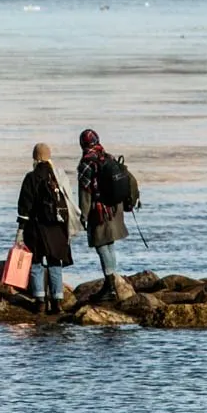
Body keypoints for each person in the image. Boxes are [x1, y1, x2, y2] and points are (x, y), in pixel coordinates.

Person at [17, 142, 79, 314]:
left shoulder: (31, 177)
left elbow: (24, 206)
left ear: (35, 158)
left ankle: (40, 302)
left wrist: (20, 231)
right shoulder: (58, 176)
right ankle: (57, 302)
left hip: (36, 229)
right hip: (57, 229)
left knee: (36, 264)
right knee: (54, 263)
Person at [77, 127, 130, 299]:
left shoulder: (86, 163)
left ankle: (110, 287)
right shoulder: (108, 157)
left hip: (99, 212)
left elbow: (85, 193)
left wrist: (83, 216)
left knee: (101, 246)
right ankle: (112, 281)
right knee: (110, 245)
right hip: (115, 209)